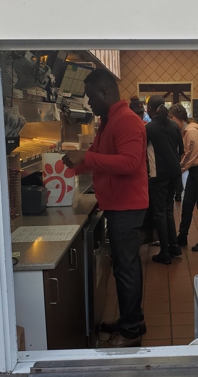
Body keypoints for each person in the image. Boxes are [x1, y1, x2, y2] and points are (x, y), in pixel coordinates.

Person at [62, 69, 148, 348]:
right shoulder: (108, 121)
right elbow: (101, 158)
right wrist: (77, 163)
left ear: (104, 92)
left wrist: (86, 157)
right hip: (118, 204)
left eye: (90, 97)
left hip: (128, 206)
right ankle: (133, 320)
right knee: (127, 267)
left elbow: (130, 163)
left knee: (126, 269)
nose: (89, 103)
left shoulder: (126, 121)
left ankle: (130, 332)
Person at [168, 103, 198, 252]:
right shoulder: (185, 131)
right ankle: (182, 236)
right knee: (187, 205)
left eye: (171, 119)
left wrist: (176, 171)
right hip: (196, 173)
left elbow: (189, 157)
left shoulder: (192, 131)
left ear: (176, 118)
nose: (170, 122)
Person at [145, 96, 184, 264]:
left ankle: (165, 253)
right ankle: (174, 247)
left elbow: (143, 154)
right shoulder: (174, 125)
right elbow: (180, 150)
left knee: (160, 212)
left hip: (158, 175)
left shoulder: (149, 129)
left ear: (151, 108)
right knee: (168, 210)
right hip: (175, 173)